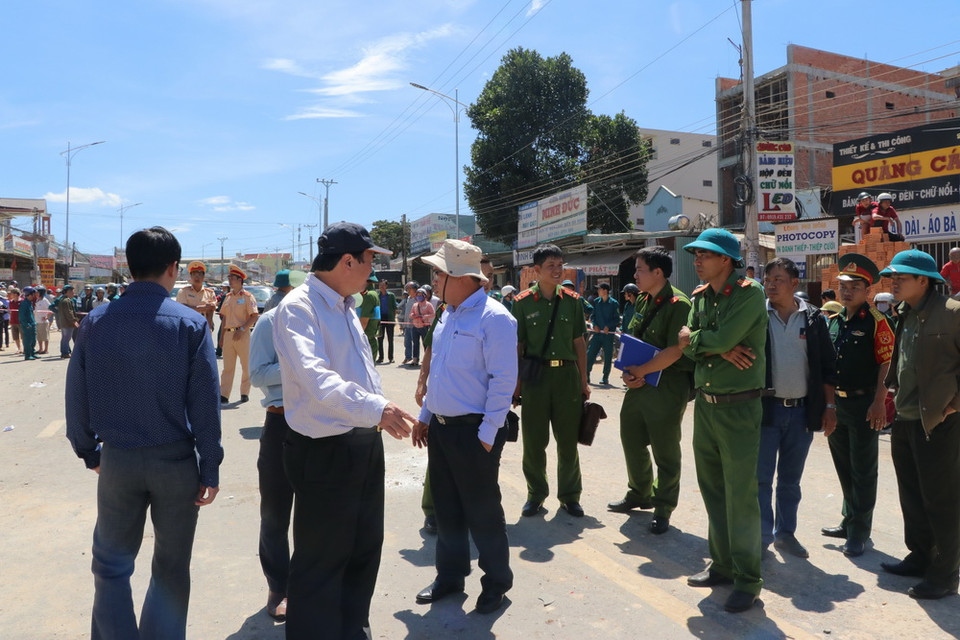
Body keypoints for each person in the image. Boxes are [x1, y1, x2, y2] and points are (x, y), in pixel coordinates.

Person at [65, 226, 222, 640]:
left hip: (117, 460)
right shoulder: (189, 324)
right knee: (170, 569)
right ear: (173, 268)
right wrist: (210, 468)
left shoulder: (96, 321)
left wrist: (89, 451)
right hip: (176, 463)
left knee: (111, 566)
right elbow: (206, 405)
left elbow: (76, 396)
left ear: (130, 268)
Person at [272, 222, 414, 640]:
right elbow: (317, 380)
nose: (375, 270)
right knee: (321, 559)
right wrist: (377, 407)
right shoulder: (300, 308)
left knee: (363, 549)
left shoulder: (347, 306)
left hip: (362, 444)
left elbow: (361, 374)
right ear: (347, 260)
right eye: (370, 260)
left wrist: (375, 414)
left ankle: (352, 630)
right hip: (324, 452)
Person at [411, 239, 517, 614]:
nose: (434, 277)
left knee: (483, 511)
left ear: (459, 276)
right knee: (447, 508)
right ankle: (451, 576)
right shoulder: (448, 313)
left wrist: (487, 436)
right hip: (441, 429)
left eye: (439, 272)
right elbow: (437, 371)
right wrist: (426, 417)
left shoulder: (495, 318)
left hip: (475, 432)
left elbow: (504, 381)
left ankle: (497, 583)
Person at [677, 228, 767, 614]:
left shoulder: (750, 293)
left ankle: (748, 580)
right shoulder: (699, 297)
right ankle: (722, 564)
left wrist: (704, 341)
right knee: (713, 490)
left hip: (739, 406)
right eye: (695, 254)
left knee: (740, 497)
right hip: (707, 405)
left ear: (726, 260)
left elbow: (716, 336)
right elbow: (687, 343)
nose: (697, 260)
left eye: (705, 255)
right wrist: (715, 346)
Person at [880, 249, 960, 599]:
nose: (893, 281)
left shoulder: (952, 314)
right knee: (911, 494)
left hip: (938, 421)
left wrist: (953, 406)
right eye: (892, 276)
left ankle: (944, 574)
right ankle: (920, 555)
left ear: (924, 280)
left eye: (902, 277)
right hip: (906, 416)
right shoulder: (905, 313)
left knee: (941, 500)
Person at [757, 257, 838, 559]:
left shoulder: (814, 319)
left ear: (794, 283)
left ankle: (786, 534)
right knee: (761, 479)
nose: (771, 284)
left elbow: (828, 368)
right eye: (767, 279)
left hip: (802, 412)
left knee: (790, 481)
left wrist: (829, 406)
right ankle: (762, 537)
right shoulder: (757, 316)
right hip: (767, 411)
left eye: (778, 279)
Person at [610, 247, 693, 536]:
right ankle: (639, 492)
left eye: (640, 269)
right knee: (630, 437)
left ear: (658, 272)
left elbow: (675, 350)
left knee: (665, 449)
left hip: (667, 386)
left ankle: (663, 507)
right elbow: (632, 340)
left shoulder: (678, 303)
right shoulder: (643, 300)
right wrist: (627, 372)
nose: (635, 275)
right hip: (639, 384)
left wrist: (641, 372)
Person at [821, 253, 894, 557]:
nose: (846, 291)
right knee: (844, 466)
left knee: (863, 469)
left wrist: (879, 401)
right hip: (838, 404)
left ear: (867, 291)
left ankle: (859, 532)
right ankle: (849, 519)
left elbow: (886, 362)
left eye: (854, 286)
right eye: (843, 286)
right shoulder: (835, 322)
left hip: (865, 404)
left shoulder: (878, 321)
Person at [512, 244, 590, 518]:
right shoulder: (521, 303)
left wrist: (584, 381)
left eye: (560, 265)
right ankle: (536, 495)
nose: (557, 271)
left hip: (566, 377)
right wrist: (516, 386)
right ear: (536, 270)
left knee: (568, 442)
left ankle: (570, 496)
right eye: (550, 266)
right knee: (534, 442)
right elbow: (518, 347)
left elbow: (579, 343)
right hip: (536, 378)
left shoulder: (573, 300)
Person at [249, 268, 306, 621]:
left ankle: (309, 584)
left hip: (319, 424)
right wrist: (299, 368)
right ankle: (278, 585)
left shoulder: (320, 322)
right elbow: (257, 374)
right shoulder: (269, 323)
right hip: (281, 422)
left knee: (316, 513)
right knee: (274, 513)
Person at [219, 265, 259, 404]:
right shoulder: (228, 297)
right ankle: (224, 395)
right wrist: (222, 337)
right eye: (229, 278)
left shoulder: (248, 297)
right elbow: (224, 317)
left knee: (246, 366)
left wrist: (242, 329)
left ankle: (244, 392)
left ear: (240, 280)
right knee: (227, 367)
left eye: (233, 278)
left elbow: (254, 316)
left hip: (242, 334)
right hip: (229, 334)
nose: (230, 281)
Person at [586, 282, 620, 386]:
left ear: (605, 291)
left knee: (608, 356)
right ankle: (586, 374)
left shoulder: (614, 303)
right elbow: (593, 316)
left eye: (599, 289)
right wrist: (595, 325)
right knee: (590, 353)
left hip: (608, 335)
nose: (598, 291)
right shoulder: (597, 302)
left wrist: (608, 326)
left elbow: (616, 319)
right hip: (597, 334)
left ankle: (605, 377)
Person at [177, 261, 218, 327]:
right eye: (194, 274)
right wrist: (202, 307)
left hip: (204, 326)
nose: (197, 277)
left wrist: (209, 327)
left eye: (199, 274)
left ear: (204, 276)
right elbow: (183, 309)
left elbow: (211, 311)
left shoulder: (210, 293)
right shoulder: (183, 291)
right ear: (190, 276)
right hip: (188, 326)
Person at [409, 287, 436, 363]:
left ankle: (427, 360)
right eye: (418, 295)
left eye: (421, 295)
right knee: (415, 343)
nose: (419, 296)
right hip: (415, 326)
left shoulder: (428, 305)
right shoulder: (415, 305)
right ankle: (415, 359)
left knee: (425, 344)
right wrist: (413, 315)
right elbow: (410, 314)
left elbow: (433, 314)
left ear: (424, 296)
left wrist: (426, 316)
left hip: (424, 327)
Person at [358, 273, 381, 355]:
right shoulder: (373, 293)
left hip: (366, 340)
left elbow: (363, 322)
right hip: (369, 339)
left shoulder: (368, 296)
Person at [376, 279, 397, 364]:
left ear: (386, 286)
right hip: (380, 319)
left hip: (389, 318)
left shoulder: (391, 296)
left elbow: (394, 308)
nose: (381, 287)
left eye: (383, 285)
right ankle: (381, 357)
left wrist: (393, 319)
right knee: (380, 339)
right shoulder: (378, 296)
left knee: (390, 339)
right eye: (380, 285)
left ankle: (391, 357)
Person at [56, 284, 79, 358]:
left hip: (63, 323)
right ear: (68, 292)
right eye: (72, 292)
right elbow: (69, 313)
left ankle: (64, 352)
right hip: (67, 323)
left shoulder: (62, 300)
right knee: (66, 338)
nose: (73, 293)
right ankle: (65, 353)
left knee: (64, 338)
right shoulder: (67, 301)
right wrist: (74, 321)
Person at [400, 281, 420, 365]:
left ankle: (416, 358)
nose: (408, 290)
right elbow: (406, 311)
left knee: (415, 342)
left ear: (415, 289)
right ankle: (408, 357)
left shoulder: (418, 299)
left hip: (414, 324)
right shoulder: (408, 299)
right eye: (407, 289)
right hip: (407, 324)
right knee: (407, 341)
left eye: (410, 289)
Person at [19, 286, 39, 360]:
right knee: (28, 340)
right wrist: (26, 324)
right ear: (29, 294)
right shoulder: (24, 304)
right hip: (27, 325)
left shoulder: (29, 303)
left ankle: (32, 353)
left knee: (33, 340)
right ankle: (27, 355)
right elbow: (22, 316)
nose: (33, 296)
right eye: (33, 294)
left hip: (32, 324)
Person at [34, 286, 51, 355]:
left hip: (43, 322)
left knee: (45, 336)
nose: (36, 293)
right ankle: (40, 348)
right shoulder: (37, 300)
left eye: (37, 292)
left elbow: (51, 310)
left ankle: (46, 349)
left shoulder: (45, 301)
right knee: (39, 337)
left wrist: (47, 317)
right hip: (37, 321)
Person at [8, 287, 21, 354]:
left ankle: (25, 348)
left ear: (16, 294)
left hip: (21, 321)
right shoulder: (11, 302)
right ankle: (19, 348)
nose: (10, 295)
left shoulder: (22, 301)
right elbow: (11, 311)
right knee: (15, 336)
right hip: (13, 321)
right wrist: (10, 319)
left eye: (12, 294)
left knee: (23, 336)